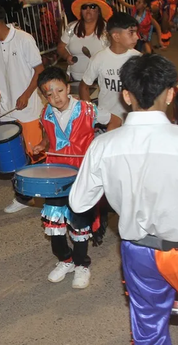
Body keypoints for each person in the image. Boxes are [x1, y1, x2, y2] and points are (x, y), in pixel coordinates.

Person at [69, 53, 178, 345]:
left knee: (148, 329)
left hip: (137, 252)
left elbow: (79, 203)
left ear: (126, 95)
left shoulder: (103, 146)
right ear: (171, 93)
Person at [31, 67, 114, 289]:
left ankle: (81, 265)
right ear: (43, 95)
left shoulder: (88, 110)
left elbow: (114, 121)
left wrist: (106, 145)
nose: (56, 97)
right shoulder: (45, 114)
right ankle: (64, 259)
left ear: (68, 87)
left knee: (79, 221)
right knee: (54, 223)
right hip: (56, 176)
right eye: (49, 94)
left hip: (82, 174)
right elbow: (49, 139)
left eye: (59, 90)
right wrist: (42, 145)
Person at [0, 4, 44, 214]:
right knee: (15, 157)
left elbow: (39, 70)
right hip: (6, 111)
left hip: (28, 110)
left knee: (35, 153)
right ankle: (22, 196)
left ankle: (44, 193)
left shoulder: (24, 39)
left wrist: (26, 95)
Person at [79, 12, 141, 128]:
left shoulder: (138, 59)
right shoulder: (99, 58)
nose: (136, 37)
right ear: (116, 36)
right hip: (107, 120)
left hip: (132, 121)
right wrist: (92, 114)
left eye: (136, 32)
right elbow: (84, 86)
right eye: (131, 33)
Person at [59, 0, 112, 83]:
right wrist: (67, 56)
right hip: (75, 80)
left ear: (99, 11)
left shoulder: (107, 30)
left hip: (99, 80)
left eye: (92, 6)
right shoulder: (71, 28)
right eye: (84, 7)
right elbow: (61, 47)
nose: (88, 10)